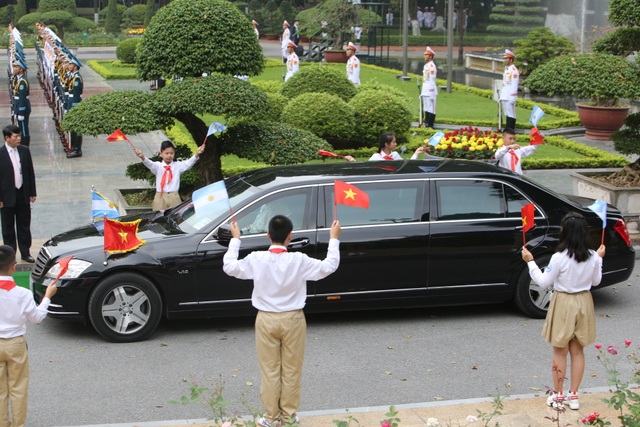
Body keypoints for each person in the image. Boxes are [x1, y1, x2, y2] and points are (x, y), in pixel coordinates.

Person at [223, 215, 341, 427]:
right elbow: (328, 266)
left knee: (269, 371)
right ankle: (288, 417)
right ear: (290, 236)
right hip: (293, 319)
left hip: (265, 319)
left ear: (268, 235)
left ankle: (270, 417)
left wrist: (236, 239)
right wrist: (333, 238)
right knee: (292, 370)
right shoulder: (299, 260)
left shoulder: (256, 258)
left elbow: (230, 267)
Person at [521, 213, 605, 410]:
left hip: (563, 302)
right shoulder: (593, 256)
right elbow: (596, 282)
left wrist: (530, 261)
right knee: (578, 350)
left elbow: (543, 282)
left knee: (560, 350)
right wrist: (600, 260)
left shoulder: (558, 258)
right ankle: (574, 396)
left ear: (565, 233)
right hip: (584, 301)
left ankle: (558, 396)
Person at [0, 245, 57, 427]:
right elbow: (37, 318)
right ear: (13, 266)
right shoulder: (22, 294)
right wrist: (47, 296)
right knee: (18, 388)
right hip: (15, 344)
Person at [134, 140, 205, 211]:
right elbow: (149, 163)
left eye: (171, 153)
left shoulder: (177, 166)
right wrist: (142, 157)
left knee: (176, 217)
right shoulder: (158, 166)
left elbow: (188, 163)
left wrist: (197, 154)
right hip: (160, 196)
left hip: (174, 196)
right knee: (158, 217)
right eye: (166, 153)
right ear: (161, 154)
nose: (169, 155)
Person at [0, 125, 36, 263]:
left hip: (23, 193)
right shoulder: (1, 153)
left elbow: (30, 173)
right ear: (7, 138)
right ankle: (10, 256)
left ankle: (25, 253)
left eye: (19, 136)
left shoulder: (24, 151)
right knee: (8, 228)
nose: (19, 139)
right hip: (6, 196)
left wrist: (32, 192)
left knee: (24, 225)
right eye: (15, 136)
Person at [65, 55, 84, 158]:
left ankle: (77, 150)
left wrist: (73, 109)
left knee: (76, 128)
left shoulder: (77, 79)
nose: (69, 65)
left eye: (71, 64)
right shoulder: (72, 76)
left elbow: (76, 96)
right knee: (72, 128)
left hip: (75, 104)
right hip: (71, 103)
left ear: (75, 66)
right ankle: (73, 147)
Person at [11, 59, 30, 147]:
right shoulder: (18, 79)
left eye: (16, 66)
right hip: (18, 106)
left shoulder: (22, 82)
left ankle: (25, 146)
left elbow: (22, 98)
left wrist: (21, 111)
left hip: (22, 107)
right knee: (20, 127)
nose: (14, 68)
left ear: (21, 69)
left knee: (23, 128)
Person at [500, 49, 519, 130]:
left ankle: (511, 129)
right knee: (507, 113)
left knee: (511, 113)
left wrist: (512, 97)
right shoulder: (507, 69)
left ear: (511, 60)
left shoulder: (514, 71)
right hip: (505, 94)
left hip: (510, 95)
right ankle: (507, 129)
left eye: (506, 58)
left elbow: (514, 85)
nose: (504, 60)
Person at [421, 46, 438, 128]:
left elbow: (431, 79)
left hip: (430, 91)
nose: (424, 56)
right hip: (426, 90)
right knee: (427, 107)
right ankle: (427, 124)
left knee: (431, 108)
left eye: (426, 54)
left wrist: (430, 91)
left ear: (430, 56)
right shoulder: (427, 65)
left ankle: (430, 125)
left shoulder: (431, 66)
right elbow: (425, 80)